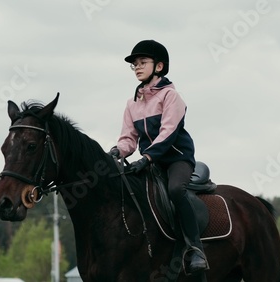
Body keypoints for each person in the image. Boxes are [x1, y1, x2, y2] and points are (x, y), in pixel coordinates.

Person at [109, 39, 208, 275]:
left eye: (143, 62)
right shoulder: (132, 103)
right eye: (134, 64)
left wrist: (148, 158)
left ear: (159, 67)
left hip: (177, 159)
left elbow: (168, 132)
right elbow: (128, 138)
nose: (138, 67)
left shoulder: (171, 96)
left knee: (175, 190)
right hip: (150, 161)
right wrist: (117, 151)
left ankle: (195, 249)